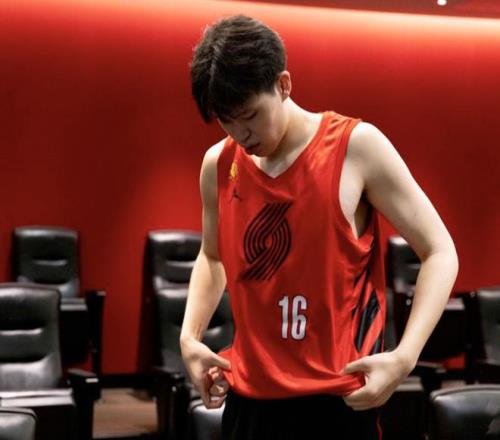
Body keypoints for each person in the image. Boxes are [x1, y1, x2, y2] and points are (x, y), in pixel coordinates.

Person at [180, 14, 459, 439]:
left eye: (250, 115)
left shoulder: (356, 147)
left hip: (336, 401)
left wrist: (405, 357)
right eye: (226, 120)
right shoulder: (218, 164)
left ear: (284, 85)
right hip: (249, 401)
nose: (241, 133)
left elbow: (440, 251)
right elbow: (212, 256)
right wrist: (190, 337)